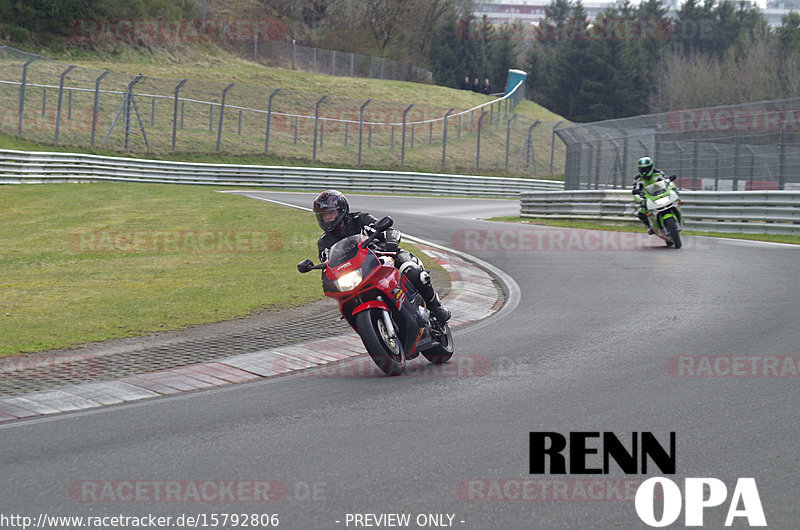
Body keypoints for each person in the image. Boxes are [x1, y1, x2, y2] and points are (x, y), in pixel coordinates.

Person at [313, 190, 451, 322]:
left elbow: (389, 229)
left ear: (342, 210)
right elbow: (327, 266)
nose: (328, 218)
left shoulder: (360, 219)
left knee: (413, 273)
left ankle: (435, 306)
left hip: (384, 256)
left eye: (331, 213)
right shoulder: (324, 242)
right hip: (358, 272)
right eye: (323, 215)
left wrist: (390, 241)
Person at [631, 156, 669, 234]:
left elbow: (666, 181)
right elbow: (635, 189)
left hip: (661, 194)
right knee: (641, 213)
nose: (644, 171)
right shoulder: (638, 178)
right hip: (648, 198)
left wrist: (669, 182)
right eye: (642, 169)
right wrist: (639, 199)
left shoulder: (658, 173)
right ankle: (649, 226)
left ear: (651, 167)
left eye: (646, 168)